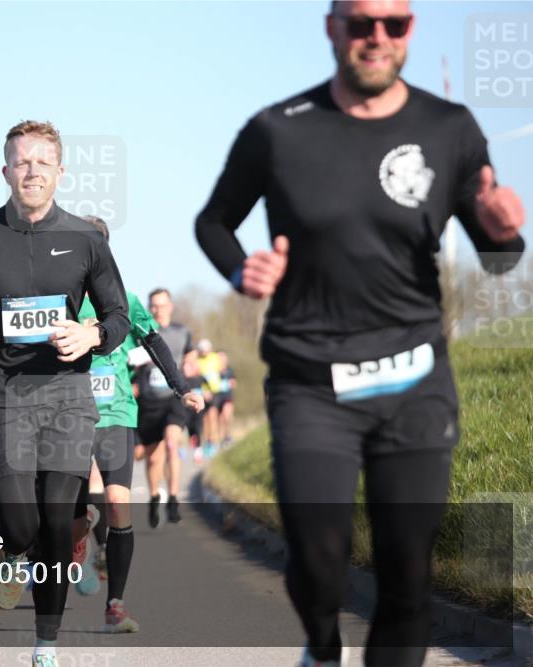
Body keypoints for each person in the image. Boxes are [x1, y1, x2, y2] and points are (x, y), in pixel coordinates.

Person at [194, 2, 525, 666]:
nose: (377, 37)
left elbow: (498, 256)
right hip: (311, 381)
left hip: (415, 381)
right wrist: (240, 268)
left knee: (407, 575)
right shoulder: (277, 129)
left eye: (393, 23)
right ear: (332, 27)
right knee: (318, 559)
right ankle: (322, 645)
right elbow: (213, 221)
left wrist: (502, 233)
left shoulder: (449, 127)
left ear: (410, 29)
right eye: (360, 22)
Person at [0, 120, 130, 667]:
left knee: (57, 523)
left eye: (42, 162)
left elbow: (118, 316)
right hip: (6, 396)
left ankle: (45, 645)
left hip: (67, 397)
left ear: (60, 172)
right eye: (22, 161)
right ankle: (10, 547)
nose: (32, 171)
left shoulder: (85, 239)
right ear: (5, 170)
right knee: (22, 525)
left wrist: (91, 336)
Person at [70, 215, 204, 631]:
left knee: (117, 503)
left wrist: (181, 387)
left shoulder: (123, 298)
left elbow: (154, 341)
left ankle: (115, 605)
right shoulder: (60, 298)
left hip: (115, 415)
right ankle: (78, 542)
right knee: (73, 508)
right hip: (68, 416)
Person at [133, 288, 197, 528]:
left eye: (161, 305)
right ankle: (153, 497)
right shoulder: (141, 331)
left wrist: (189, 365)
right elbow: (127, 360)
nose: (157, 309)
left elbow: (190, 356)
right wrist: (132, 380)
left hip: (174, 398)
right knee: (152, 457)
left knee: (171, 443)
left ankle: (173, 498)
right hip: (148, 401)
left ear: (170, 306)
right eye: (153, 305)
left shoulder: (182, 331)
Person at [195, 338, 223, 458]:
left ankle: (214, 442)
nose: (204, 352)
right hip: (203, 392)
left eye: (205, 350)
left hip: (215, 391)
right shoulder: (197, 360)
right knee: (205, 419)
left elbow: (221, 369)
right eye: (202, 350)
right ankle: (207, 442)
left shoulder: (215, 358)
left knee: (213, 416)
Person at [215, 350, 237, 446]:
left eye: (223, 357)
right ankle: (222, 439)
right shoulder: (214, 371)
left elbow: (234, 383)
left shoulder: (229, 370)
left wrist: (228, 384)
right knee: (220, 419)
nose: (222, 359)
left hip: (227, 397)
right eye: (219, 357)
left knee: (226, 415)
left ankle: (228, 436)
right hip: (216, 398)